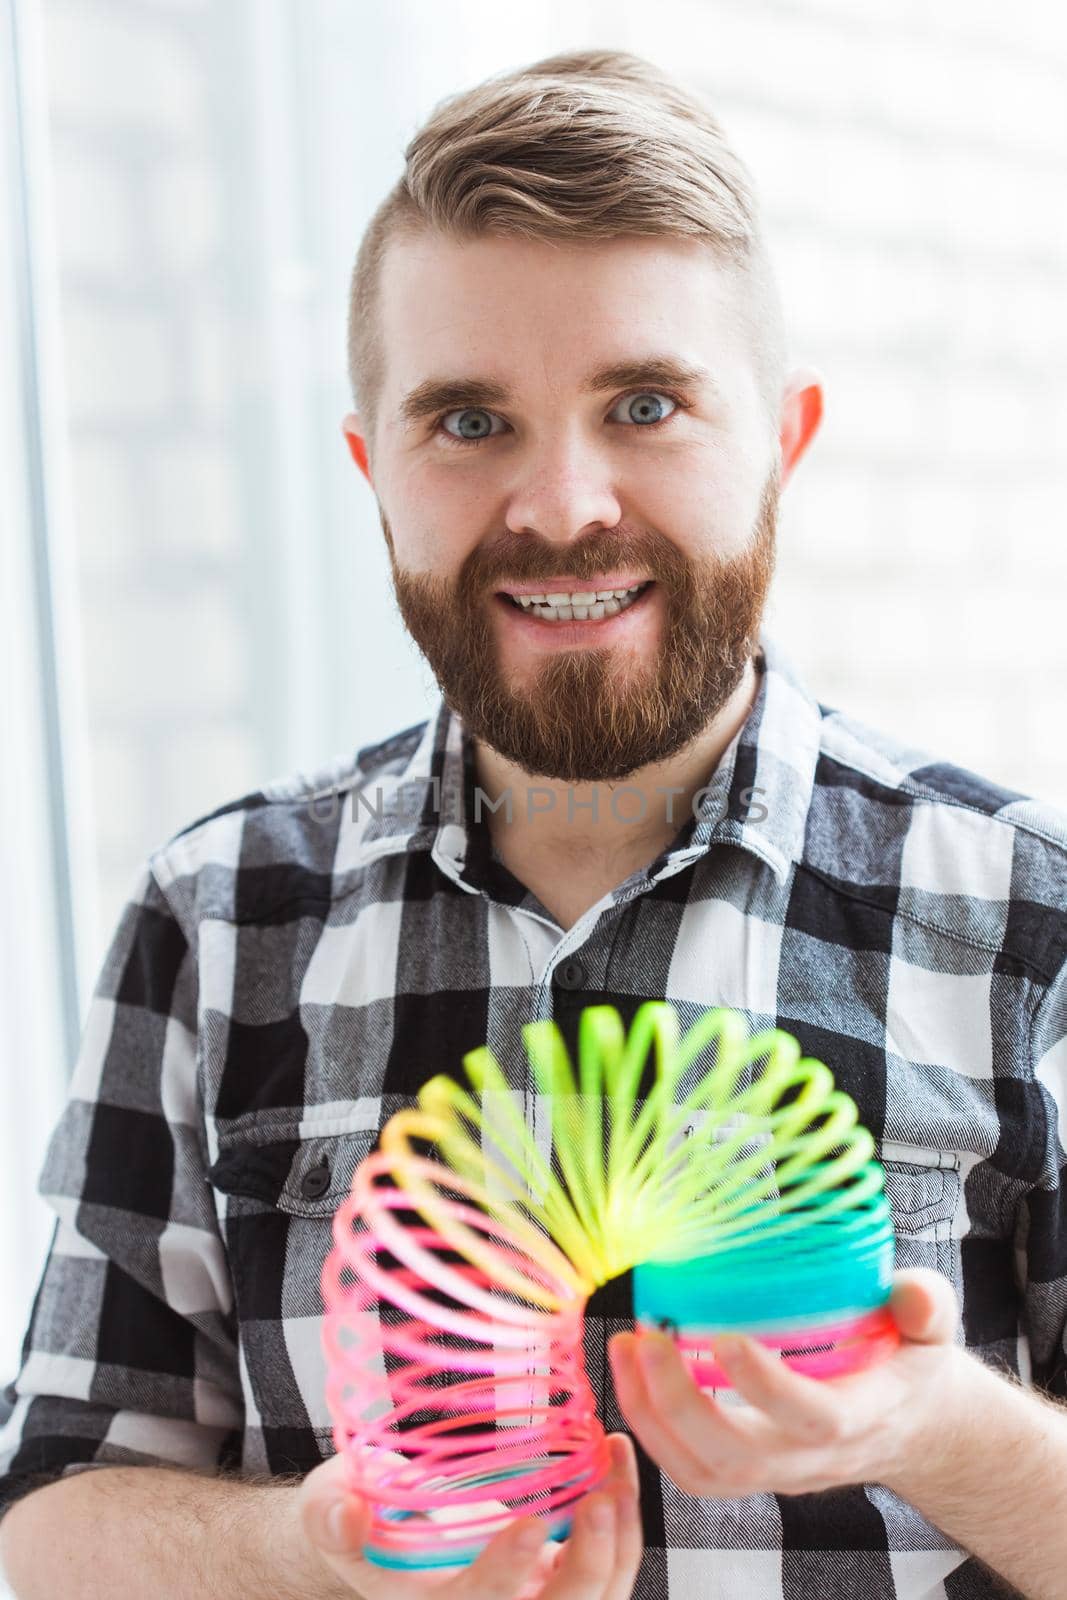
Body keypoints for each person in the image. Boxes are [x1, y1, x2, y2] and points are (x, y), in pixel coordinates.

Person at [1, 44, 1066, 1600]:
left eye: (644, 403)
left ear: (783, 438)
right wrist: (306, 1551)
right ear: (375, 475)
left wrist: (937, 1421)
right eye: (470, 422)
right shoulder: (217, 921)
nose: (562, 504)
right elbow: (49, 1525)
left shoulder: (1029, 921)